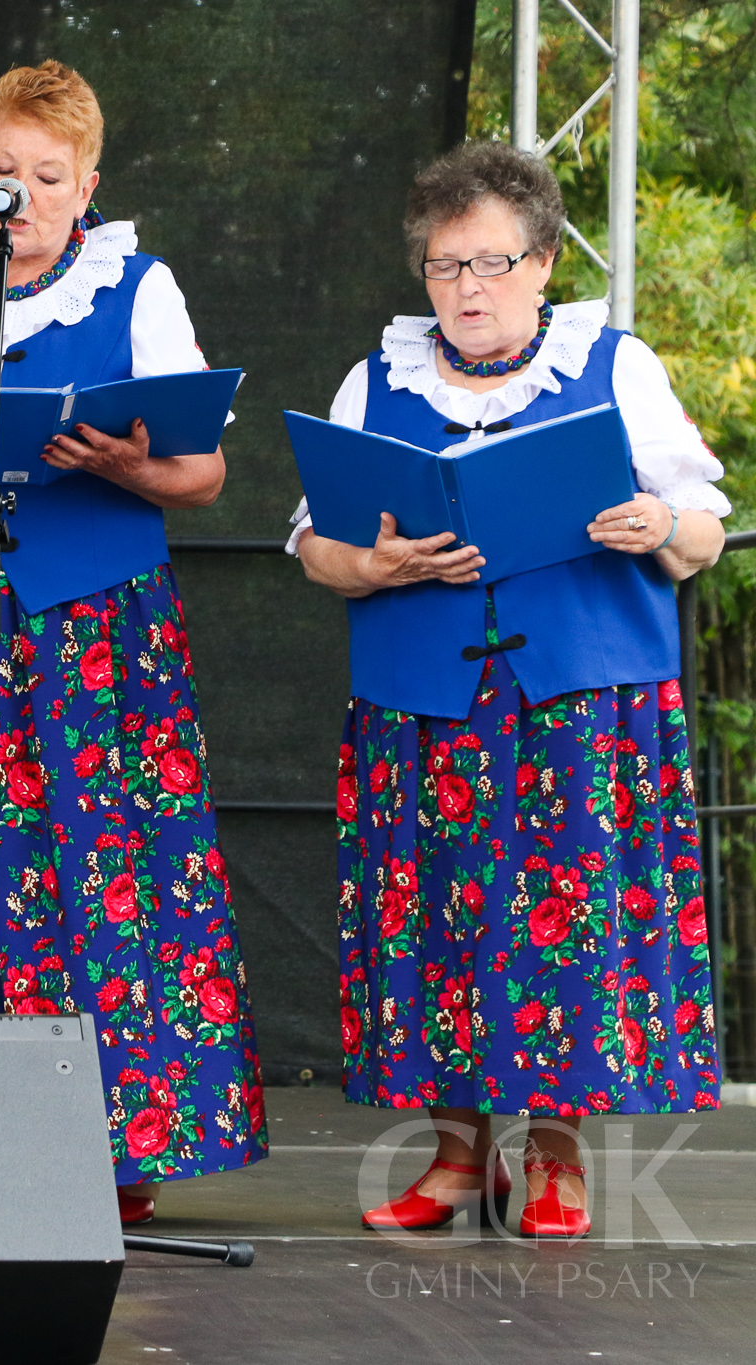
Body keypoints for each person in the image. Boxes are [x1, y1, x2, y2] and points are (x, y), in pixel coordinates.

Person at [0, 61, 267, 1225]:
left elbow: (201, 471)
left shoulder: (136, 287)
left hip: (94, 631)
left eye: (45, 175)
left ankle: (118, 1144)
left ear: (85, 185)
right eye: (1, 171)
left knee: (106, 865)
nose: (18, 194)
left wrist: (128, 464)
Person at [291, 141, 725, 1238]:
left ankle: (555, 1162)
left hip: (580, 702)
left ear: (541, 264)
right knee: (434, 924)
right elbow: (314, 548)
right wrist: (372, 562)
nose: (466, 289)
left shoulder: (614, 367)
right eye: (444, 266)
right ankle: (456, 1158)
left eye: (489, 263)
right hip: (420, 704)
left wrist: (658, 523)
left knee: (564, 927)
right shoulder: (375, 381)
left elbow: (703, 536)